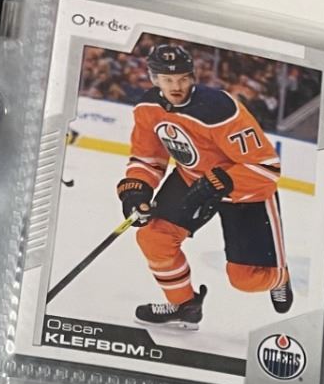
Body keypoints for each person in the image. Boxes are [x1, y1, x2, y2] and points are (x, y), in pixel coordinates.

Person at [117, 41, 293, 334]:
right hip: (192, 178)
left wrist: (218, 182)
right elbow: (147, 157)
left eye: (183, 78)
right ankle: (185, 306)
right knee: (154, 238)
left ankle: (280, 277)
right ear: (154, 79)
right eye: (168, 80)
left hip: (244, 189)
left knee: (245, 279)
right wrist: (137, 190)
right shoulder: (148, 108)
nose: (176, 86)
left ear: (193, 77)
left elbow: (267, 167)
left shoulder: (218, 108)